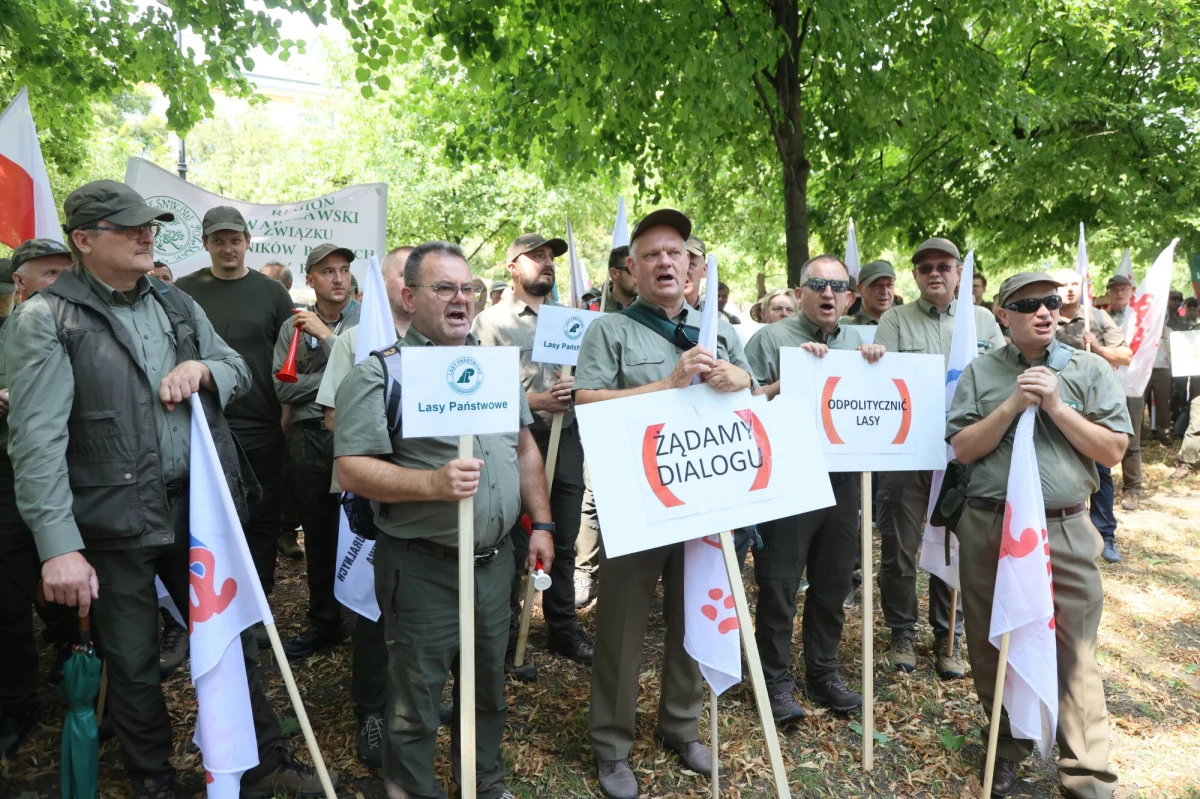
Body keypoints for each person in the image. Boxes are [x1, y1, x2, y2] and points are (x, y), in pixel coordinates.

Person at [7, 180, 334, 798]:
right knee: (133, 664)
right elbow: (36, 442)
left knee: (236, 639)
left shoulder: (175, 302)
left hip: (199, 509)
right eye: (127, 228)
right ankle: (154, 780)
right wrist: (58, 547)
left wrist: (204, 368)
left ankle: (262, 764)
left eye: (148, 225)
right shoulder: (46, 317)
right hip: (113, 521)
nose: (145, 235)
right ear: (83, 240)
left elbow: (237, 367)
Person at [334, 240, 554, 799]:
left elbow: (525, 447)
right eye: (444, 288)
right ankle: (412, 790)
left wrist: (542, 524)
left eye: (468, 288)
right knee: (415, 702)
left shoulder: (492, 369)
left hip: (493, 565)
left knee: (487, 692)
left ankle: (483, 783)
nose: (461, 300)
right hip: (423, 567)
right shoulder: (379, 375)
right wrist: (431, 484)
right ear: (409, 297)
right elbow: (352, 469)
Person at [574, 209, 755, 799]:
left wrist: (741, 381)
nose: (665, 263)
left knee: (693, 613)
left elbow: (749, 404)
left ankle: (680, 725)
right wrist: (665, 386)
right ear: (632, 268)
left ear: (691, 265)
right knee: (622, 628)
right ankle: (612, 745)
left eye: (675, 252)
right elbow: (586, 402)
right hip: (638, 498)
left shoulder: (719, 332)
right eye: (651, 255)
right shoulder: (609, 330)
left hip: (704, 494)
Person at [948, 271, 1128, 799]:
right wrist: (1011, 405)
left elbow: (1113, 450)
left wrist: (1055, 406)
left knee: (1075, 652)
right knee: (992, 644)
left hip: (1065, 527)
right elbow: (962, 448)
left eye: (1051, 301)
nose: (1045, 311)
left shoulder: (1090, 369)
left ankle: (1086, 773)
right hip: (991, 528)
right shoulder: (982, 373)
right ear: (1003, 315)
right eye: (1028, 304)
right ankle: (1006, 749)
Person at [744, 254, 885, 723]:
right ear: (800, 291)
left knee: (833, 582)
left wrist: (875, 367)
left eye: (837, 287)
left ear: (850, 296)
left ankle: (824, 672)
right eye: (817, 285)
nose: (828, 294)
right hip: (787, 477)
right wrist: (790, 382)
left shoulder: (862, 342)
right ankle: (775, 681)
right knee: (781, 584)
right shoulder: (770, 339)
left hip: (844, 479)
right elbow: (742, 408)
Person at [873, 237, 1006, 678]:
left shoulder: (983, 322)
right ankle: (902, 633)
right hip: (908, 452)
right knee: (900, 548)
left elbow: (1001, 378)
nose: (935, 273)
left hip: (964, 455)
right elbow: (881, 380)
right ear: (914, 274)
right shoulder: (895, 320)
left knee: (956, 545)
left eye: (944, 266)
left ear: (959, 274)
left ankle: (949, 636)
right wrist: (869, 359)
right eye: (925, 266)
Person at [472, 232, 594, 676]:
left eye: (550, 258)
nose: (547, 263)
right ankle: (504, 635)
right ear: (512, 267)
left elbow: (591, 375)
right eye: (536, 256)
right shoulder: (489, 323)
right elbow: (481, 389)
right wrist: (537, 403)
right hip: (517, 444)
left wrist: (576, 391)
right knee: (513, 538)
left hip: (568, 438)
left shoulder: (570, 321)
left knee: (562, 536)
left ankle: (563, 626)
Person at [312, 243, 411, 767]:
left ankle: (413, 698)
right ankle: (371, 711)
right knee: (374, 607)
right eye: (408, 274)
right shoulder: (354, 340)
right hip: (373, 496)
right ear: (387, 285)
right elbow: (332, 418)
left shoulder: (455, 342)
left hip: (435, 497)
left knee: (420, 603)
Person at [175, 207, 297, 601]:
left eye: (234, 240)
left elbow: (286, 360)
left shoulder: (272, 292)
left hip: (261, 422)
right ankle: (209, 604)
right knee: (206, 518)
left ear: (246, 241)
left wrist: (285, 413)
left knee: (261, 519)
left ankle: (256, 601)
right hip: (203, 423)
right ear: (206, 243)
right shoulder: (181, 292)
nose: (228, 248)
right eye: (218, 241)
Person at [0, 238, 76, 760]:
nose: (60, 284)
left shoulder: (83, 327)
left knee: (77, 587)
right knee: (8, 597)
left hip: (76, 478)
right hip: (8, 482)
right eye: (50, 274)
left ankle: (80, 671)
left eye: (65, 273)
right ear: (20, 281)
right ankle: (15, 702)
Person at [271, 243, 360, 660]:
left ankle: (368, 623)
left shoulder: (366, 320)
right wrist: (335, 377)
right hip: (310, 438)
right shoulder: (294, 325)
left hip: (357, 436)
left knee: (364, 530)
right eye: (327, 271)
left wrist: (328, 341)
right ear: (310, 279)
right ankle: (324, 621)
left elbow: (369, 376)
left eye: (343, 270)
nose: (338, 278)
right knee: (320, 535)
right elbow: (282, 386)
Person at [1052, 268, 1131, 564]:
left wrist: (1095, 345)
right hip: (1056, 407)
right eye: (1063, 285)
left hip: (1094, 405)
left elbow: (1125, 356)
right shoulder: (1045, 315)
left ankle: (1104, 535)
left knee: (1100, 470)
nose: (1069, 290)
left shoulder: (1097, 317)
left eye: (1075, 284)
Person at [1104, 273, 1145, 511]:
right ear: (1108, 292)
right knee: (1101, 435)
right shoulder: (1101, 319)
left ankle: (1132, 489)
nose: (1119, 293)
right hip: (1106, 385)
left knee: (1132, 440)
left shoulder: (1140, 321)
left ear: (1131, 291)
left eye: (1124, 289)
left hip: (1132, 384)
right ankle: (1100, 486)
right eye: (1115, 289)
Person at [845, 260, 895, 324]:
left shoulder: (905, 323)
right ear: (860, 290)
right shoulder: (846, 326)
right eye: (877, 285)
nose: (885, 292)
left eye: (889, 285)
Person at [603, 245, 636, 312]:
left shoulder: (650, 310)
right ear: (614, 274)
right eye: (632, 270)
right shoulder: (593, 310)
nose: (638, 276)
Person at [683, 235, 706, 308]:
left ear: (704, 270)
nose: (682, 271)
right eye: (678, 264)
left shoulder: (715, 318)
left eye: (690, 265)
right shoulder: (650, 316)